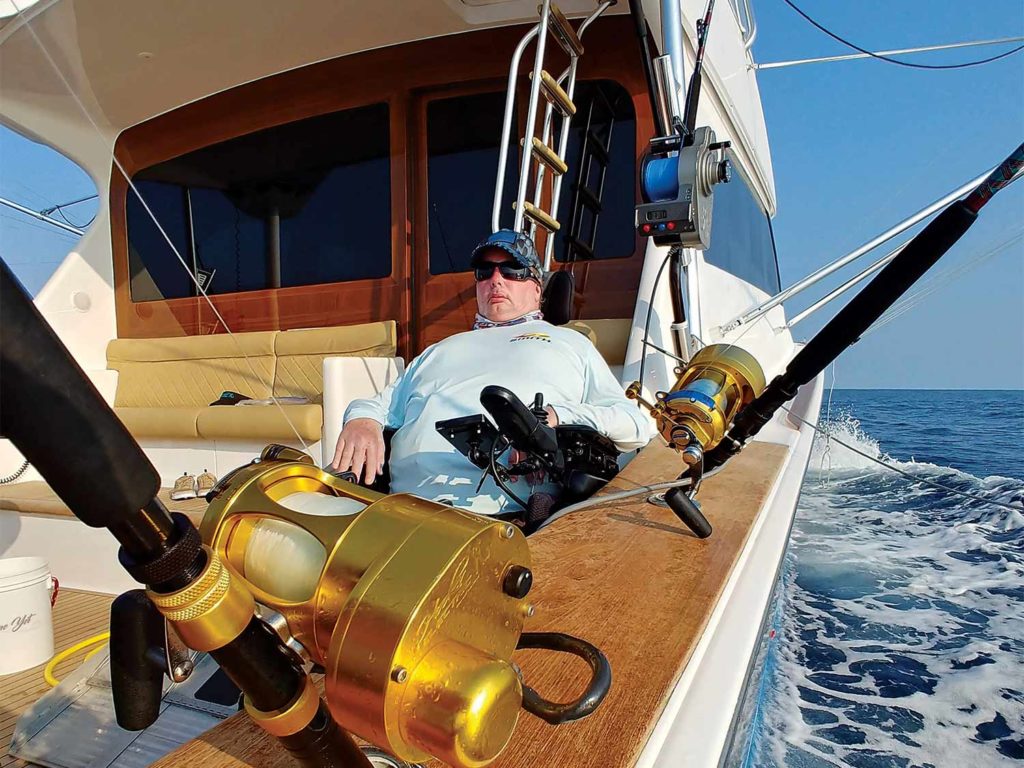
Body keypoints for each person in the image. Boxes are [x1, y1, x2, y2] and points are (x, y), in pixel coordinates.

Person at [331, 229, 654, 515]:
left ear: (537, 286)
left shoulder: (570, 343)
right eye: (484, 271)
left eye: (513, 270)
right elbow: (378, 404)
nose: (496, 280)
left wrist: (555, 416)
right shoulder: (440, 348)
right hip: (401, 510)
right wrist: (362, 421)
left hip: (503, 517)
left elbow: (636, 425)